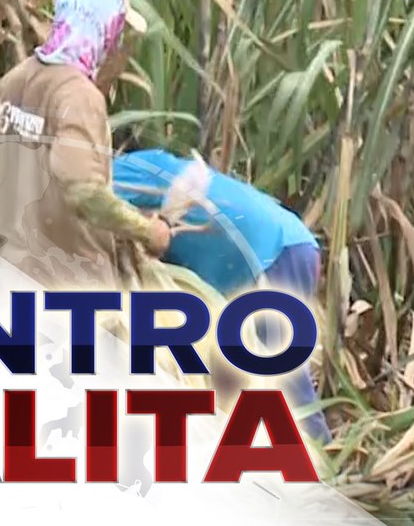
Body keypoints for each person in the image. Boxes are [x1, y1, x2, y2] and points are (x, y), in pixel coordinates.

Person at [110, 146, 333, 444]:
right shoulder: (144, 165)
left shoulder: (122, 172)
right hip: (271, 251)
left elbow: (89, 205)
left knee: (284, 376)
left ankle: (322, 467)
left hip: (274, 252)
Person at [0, 0, 176, 291]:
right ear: (105, 28)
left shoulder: (11, 83)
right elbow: (83, 193)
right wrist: (147, 231)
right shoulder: (79, 98)